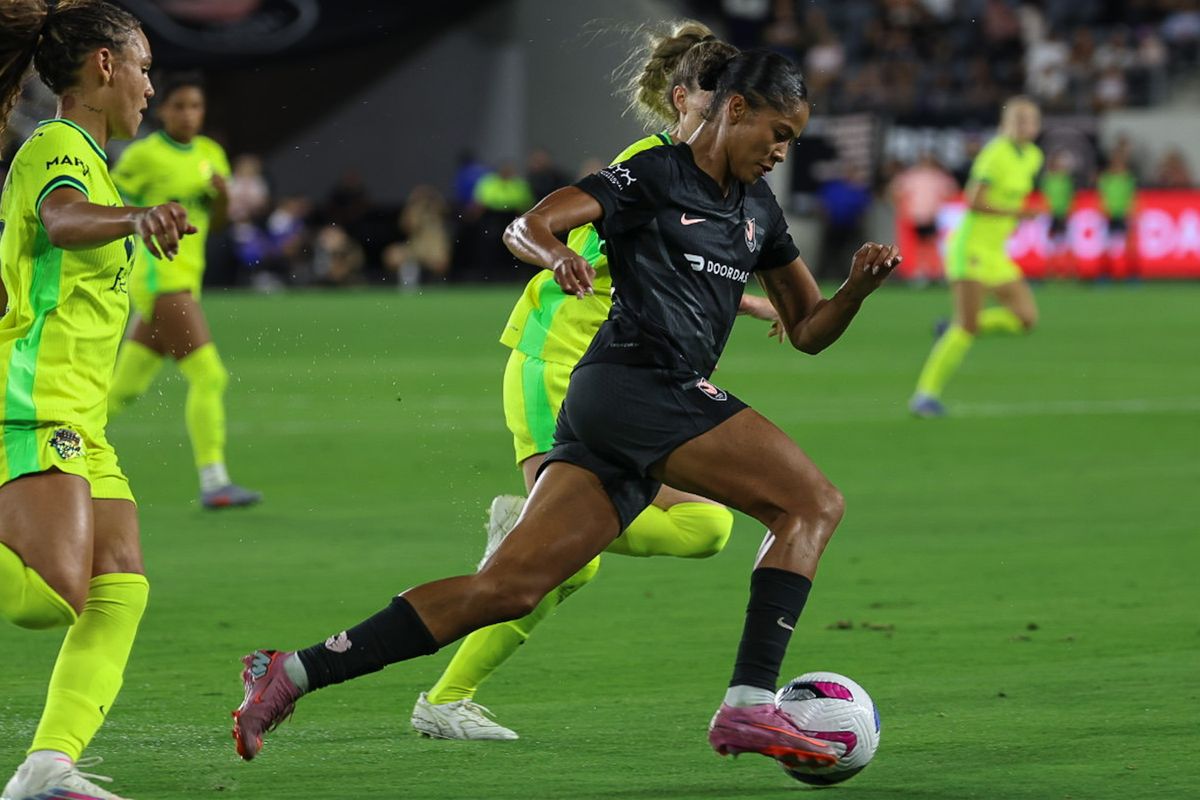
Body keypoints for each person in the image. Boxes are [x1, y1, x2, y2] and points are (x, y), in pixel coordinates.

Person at [230, 49, 901, 772]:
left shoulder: (756, 212)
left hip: (621, 409)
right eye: (778, 133)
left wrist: (854, 293)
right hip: (637, 385)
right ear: (735, 109)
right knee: (812, 504)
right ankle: (747, 705)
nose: (781, 152)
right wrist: (554, 255)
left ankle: (289, 673)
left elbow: (807, 332)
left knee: (507, 589)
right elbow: (528, 226)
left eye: (791, 141)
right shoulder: (653, 175)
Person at [410, 23, 775, 742]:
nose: (736, 111)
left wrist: (754, 298)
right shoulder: (650, 164)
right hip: (558, 367)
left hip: (616, 388)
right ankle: (446, 697)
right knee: (568, 565)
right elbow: (564, 238)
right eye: (721, 97)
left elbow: (677, 266)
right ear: (685, 101)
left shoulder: (694, 178)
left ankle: (517, 552)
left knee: (706, 526)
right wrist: (554, 257)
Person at [0, 2, 195, 798]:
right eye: (144, 66)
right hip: (30, 400)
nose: (152, 86)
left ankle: (49, 765)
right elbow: (63, 218)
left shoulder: (92, 156)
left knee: (121, 580)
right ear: (105, 68)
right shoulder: (59, 147)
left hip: (79, 412)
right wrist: (135, 216)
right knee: (50, 598)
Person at [106, 73, 260, 508]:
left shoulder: (211, 155)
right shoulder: (144, 156)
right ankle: (215, 483)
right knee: (209, 376)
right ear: (163, 110)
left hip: (186, 279)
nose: (189, 114)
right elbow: (114, 209)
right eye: (180, 106)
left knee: (122, 389)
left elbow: (220, 225)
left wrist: (224, 197)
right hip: (160, 279)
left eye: (196, 107)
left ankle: (48, 445)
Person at [909, 97, 1042, 418]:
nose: (1025, 127)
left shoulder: (1034, 157)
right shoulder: (995, 153)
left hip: (995, 252)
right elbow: (973, 201)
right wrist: (1017, 212)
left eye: (1031, 121)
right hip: (970, 249)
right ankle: (925, 395)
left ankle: (953, 327)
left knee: (1025, 318)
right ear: (1007, 124)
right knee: (966, 327)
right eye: (1019, 121)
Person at [889, 152, 958, 287]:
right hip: (917, 216)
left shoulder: (938, 176)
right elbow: (895, 191)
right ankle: (921, 273)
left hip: (934, 216)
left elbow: (952, 191)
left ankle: (937, 272)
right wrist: (902, 208)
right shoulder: (912, 176)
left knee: (933, 245)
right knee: (920, 246)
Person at [1096, 139, 1137, 281]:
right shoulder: (1106, 179)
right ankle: (1105, 275)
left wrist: (1132, 212)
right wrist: (1104, 210)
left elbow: (1132, 197)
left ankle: (1131, 275)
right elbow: (1102, 197)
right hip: (1109, 216)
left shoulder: (1128, 179)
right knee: (1107, 247)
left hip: (1123, 215)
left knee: (1128, 247)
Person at [1040, 149, 1075, 279]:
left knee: (1062, 244)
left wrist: (1068, 211)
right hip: (1048, 215)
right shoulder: (1047, 179)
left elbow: (1069, 197)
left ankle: (1063, 270)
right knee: (1048, 244)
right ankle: (1049, 270)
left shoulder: (1066, 180)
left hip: (1062, 214)